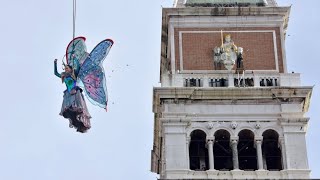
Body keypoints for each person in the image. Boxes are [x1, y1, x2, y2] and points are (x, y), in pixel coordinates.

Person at [54, 59, 91, 133]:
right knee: (69, 108)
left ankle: (80, 118)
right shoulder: (64, 76)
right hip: (68, 93)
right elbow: (56, 73)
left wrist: (75, 59)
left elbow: (77, 67)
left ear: (71, 69)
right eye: (65, 68)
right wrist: (55, 63)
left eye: (67, 68)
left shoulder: (74, 74)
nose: (66, 69)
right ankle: (74, 117)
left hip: (75, 92)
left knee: (77, 106)